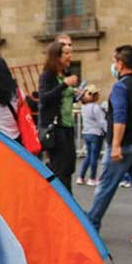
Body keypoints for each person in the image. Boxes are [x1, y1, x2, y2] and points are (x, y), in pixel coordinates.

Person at [87, 45, 132, 245]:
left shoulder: (120, 87)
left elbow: (120, 116)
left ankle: (91, 225)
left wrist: (116, 144)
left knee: (106, 186)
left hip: (125, 143)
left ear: (120, 64)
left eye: (114, 61)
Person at [38, 40, 80, 190]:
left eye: (70, 53)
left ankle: (67, 204)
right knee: (60, 169)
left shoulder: (65, 75)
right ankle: (62, 205)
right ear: (56, 57)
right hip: (56, 129)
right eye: (66, 54)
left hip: (68, 127)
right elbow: (44, 98)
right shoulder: (48, 76)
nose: (70, 57)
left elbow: (65, 99)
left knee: (69, 167)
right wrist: (65, 85)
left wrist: (82, 97)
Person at [77, 84, 106, 186]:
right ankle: (92, 177)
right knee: (94, 156)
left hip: (86, 132)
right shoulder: (96, 107)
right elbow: (101, 121)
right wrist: (106, 131)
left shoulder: (84, 107)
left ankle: (81, 176)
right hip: (96, 133)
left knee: (88, 156)